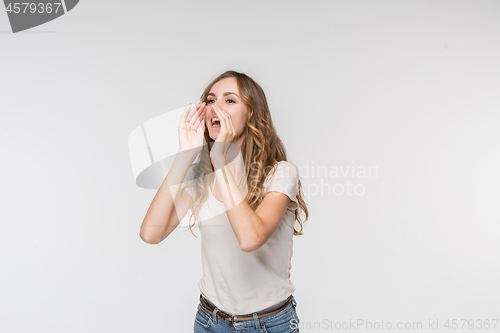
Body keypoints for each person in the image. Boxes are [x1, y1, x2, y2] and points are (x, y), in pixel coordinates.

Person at [140, 70, 309, 332]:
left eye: (229, 101)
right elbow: (151, 233)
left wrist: (220, 158)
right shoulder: (202, 178)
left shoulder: (280, 173)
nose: (215, 107)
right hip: (210, 321)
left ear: (251, 113)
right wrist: (185, 156)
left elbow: (250, 239)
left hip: (267, 324)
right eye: (210, 101)